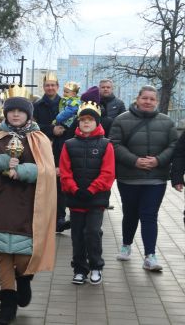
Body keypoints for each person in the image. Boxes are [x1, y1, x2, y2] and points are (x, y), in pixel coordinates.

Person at [0, 95, 56, 325]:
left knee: (24, 254)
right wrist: (3, 161)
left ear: (28, 114)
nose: (15, 114)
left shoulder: (39, 139)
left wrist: (22, 171)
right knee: (2, 252)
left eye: (20, 111)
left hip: (28, 205)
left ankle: (24, 278)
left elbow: (47, 172)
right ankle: (7, 304)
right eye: (11, 111)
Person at [110, 85, 177, 271]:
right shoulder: (121, 120)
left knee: (149, 215)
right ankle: (126, 244)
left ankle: (150, 256)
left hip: (156, 179)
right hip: (128, 178)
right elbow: (114, 145)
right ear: (137, 99)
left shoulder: (167, 122)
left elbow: (174, 146)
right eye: (144, 98)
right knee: (130, 214)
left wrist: (158, 160)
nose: (148, 102)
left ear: (156, 101)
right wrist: (134, 161)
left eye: (152, 99)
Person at [59, 101, 115, 285]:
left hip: (96, 199)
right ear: (78, 122)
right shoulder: (69, 144)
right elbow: (65, 172)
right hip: (77, 199)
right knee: (77, 235)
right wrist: (74, 189)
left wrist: (92, 189)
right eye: (83, 119)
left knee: (92, 232)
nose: (86, 123)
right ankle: (79, 268)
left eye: (90, 119)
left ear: (97, 122)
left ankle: (96, 266)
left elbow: (108, 173)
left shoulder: (106, 145)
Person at [33, 73, 71, 233]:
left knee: (60, 183)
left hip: (62, 148)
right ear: (44, 87)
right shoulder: (37, 105)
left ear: (57, 86)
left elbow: (72, 124)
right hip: (43, 146)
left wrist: (62, 132)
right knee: (43, 182)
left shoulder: (67, 104)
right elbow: (33, 125)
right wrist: (50, 130)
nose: (50, 87)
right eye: (47, 85)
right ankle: (43, 218)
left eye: (53, 85)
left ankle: (59, 218)